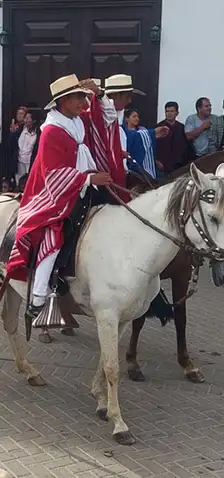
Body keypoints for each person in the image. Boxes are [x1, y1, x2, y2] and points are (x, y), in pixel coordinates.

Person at [7, 75, 117, 319]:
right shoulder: (52, 131)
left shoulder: (76, 121)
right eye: (79, 97)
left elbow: (105, 119)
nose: (83, 102)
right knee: (53, 232)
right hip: (49, 192)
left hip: (77, 184)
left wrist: (99, 94)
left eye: (83, 97)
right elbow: (53, 173)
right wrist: (88, 179)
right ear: (64, 100)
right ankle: (39, 293)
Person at [122, 109, 168, 180]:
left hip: (144, 165)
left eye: (137, 116)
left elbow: (148, 148)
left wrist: (155, 161)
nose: (137, 118)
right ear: (126, 118)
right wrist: (154, 132)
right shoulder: (122, 131)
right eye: (134, 116)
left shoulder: (143, 130)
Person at [155, 101, 191, 174]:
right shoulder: (158, 127)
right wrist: (156, 161)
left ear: (177, 113)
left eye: (172, 111)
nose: (169, 113)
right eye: (167, 111)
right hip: (163, 166)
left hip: (179, 166)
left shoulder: (181, 128)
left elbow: (186, 147)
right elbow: (152, 146)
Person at [15, 111, 39, 184]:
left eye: (27, 118)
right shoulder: (19, 129)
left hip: (30, 162)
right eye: (25, 118)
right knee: (19, 180)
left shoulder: (38, 132)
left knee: (30, 180)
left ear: (34, 120)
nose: (25, 120)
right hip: (20, 161)